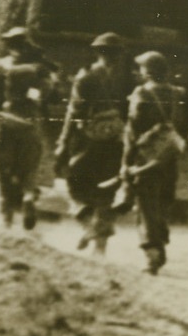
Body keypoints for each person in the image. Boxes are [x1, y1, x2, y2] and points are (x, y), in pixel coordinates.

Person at [55, 32, 134, 254]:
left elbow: (75, 113)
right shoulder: (129, 79)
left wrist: (64, 142)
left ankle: (88, 225)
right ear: (120, 55)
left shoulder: (86, 77)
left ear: (97, 53)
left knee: (75, 184)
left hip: (89, 142)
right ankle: (100, 246)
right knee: (106, 193)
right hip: (117, 142)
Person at [122, 51, 188, 275]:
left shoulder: (140, 94)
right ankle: (160, 237)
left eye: (141, 68)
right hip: (169, 158)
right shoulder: (180, 94)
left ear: (147, 71)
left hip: (146, 158)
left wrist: (126, 162)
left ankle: (152, 253)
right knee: (163, 200)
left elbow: (132, 133)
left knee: (146, 204)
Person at [0, 27, 53, 229]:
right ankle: (29, 197)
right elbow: (48, 94)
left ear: (9, 45)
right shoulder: (39, 68)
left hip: (6, 119)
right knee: (29, 171)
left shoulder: (2, 66)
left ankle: (6, 221)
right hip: (29, 121)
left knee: (4, 175)